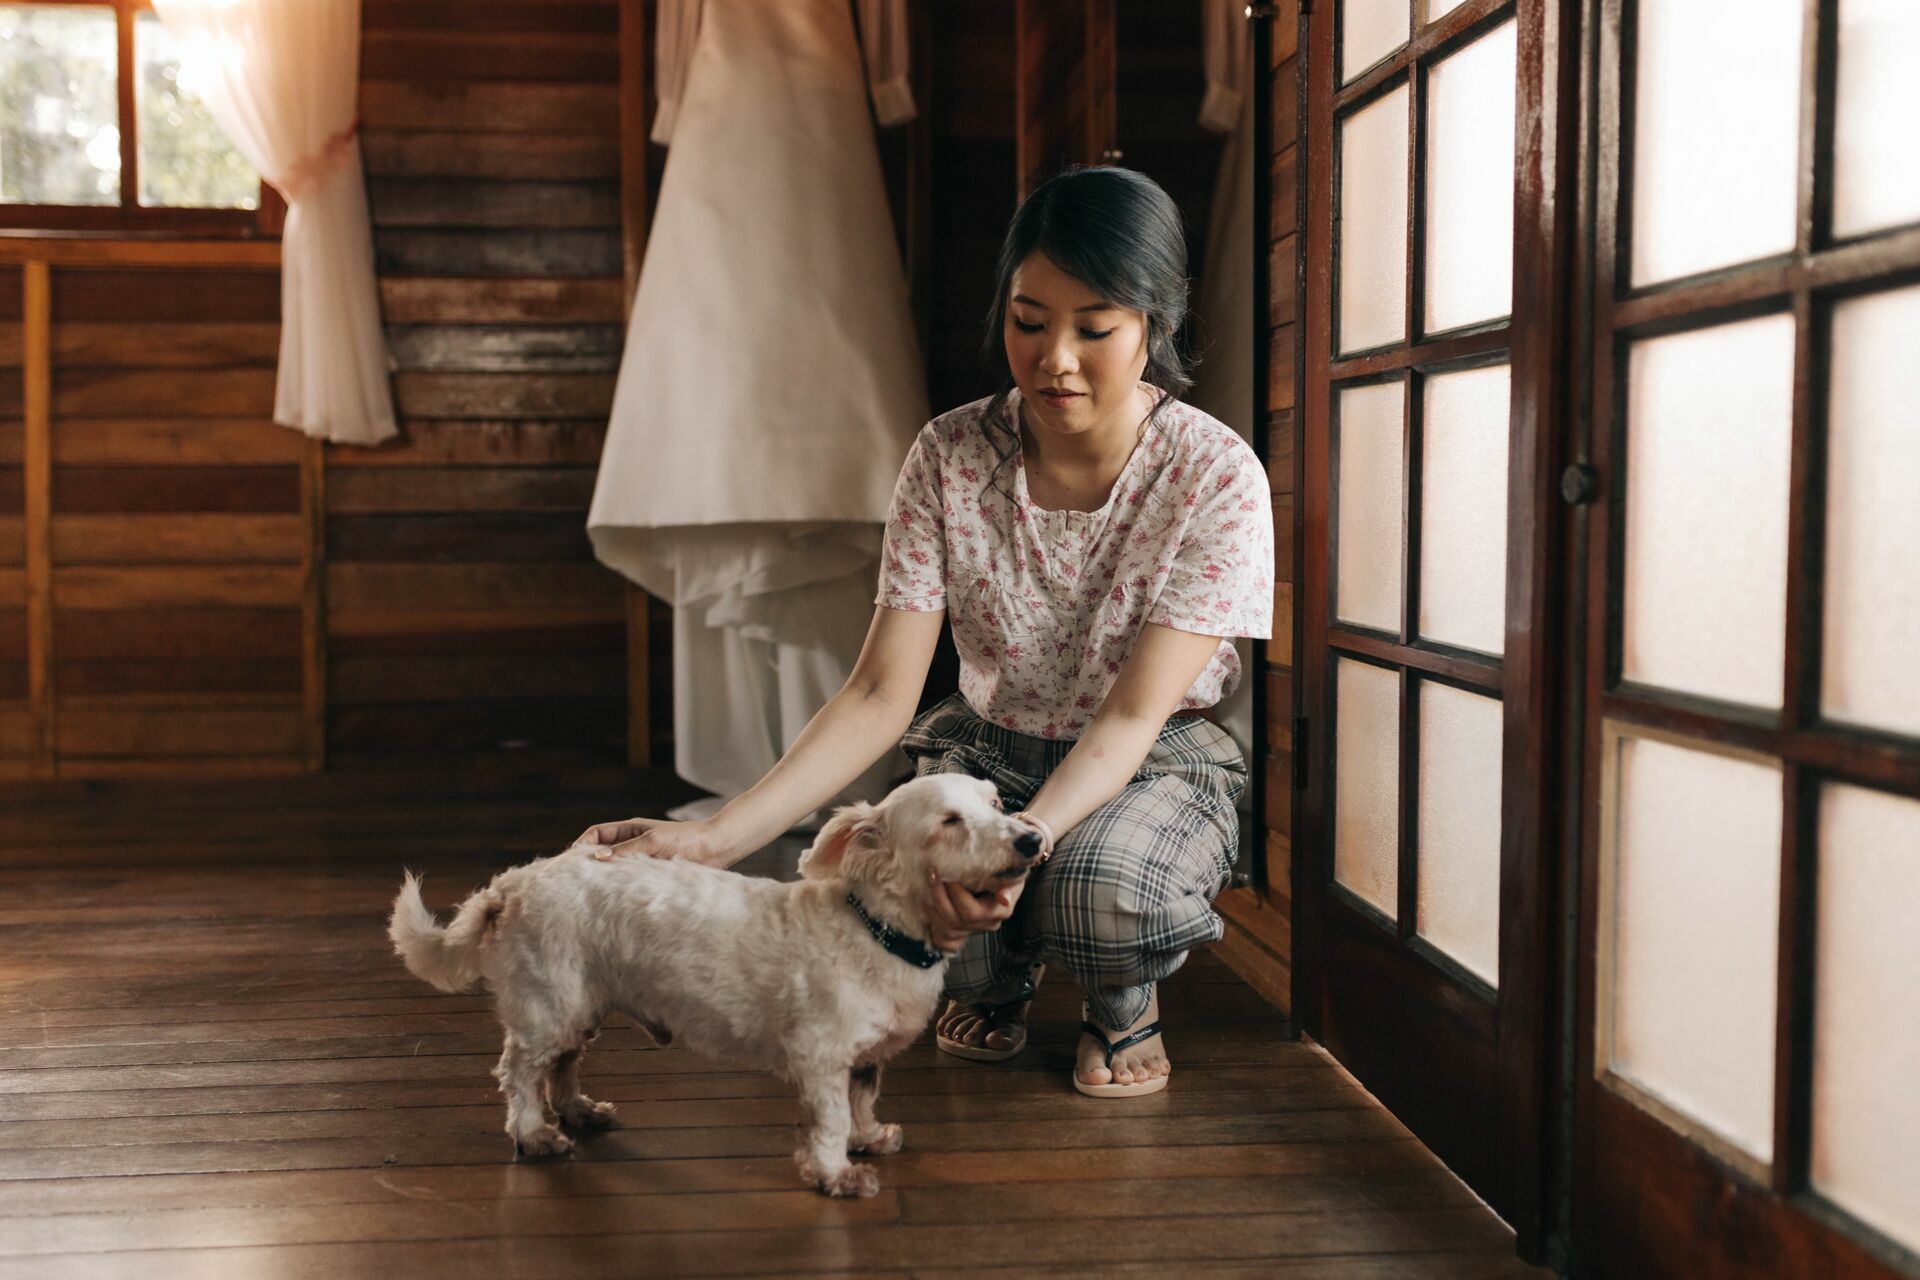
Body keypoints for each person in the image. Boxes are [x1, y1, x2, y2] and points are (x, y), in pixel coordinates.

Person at [579, 165, 1274, 1098]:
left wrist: (1020, 846)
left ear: (1158, 322)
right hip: (989, 752)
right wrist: (712, 842)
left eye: (1094, 328)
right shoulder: (950, 455)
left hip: (1147, 756)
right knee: (907, 899)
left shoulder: (1216, 475)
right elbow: (878, 693)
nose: (1054, 359)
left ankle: (1124, 1001)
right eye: (1029, 321)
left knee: (1100, 895)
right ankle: (998, 980)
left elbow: (1127, 719)